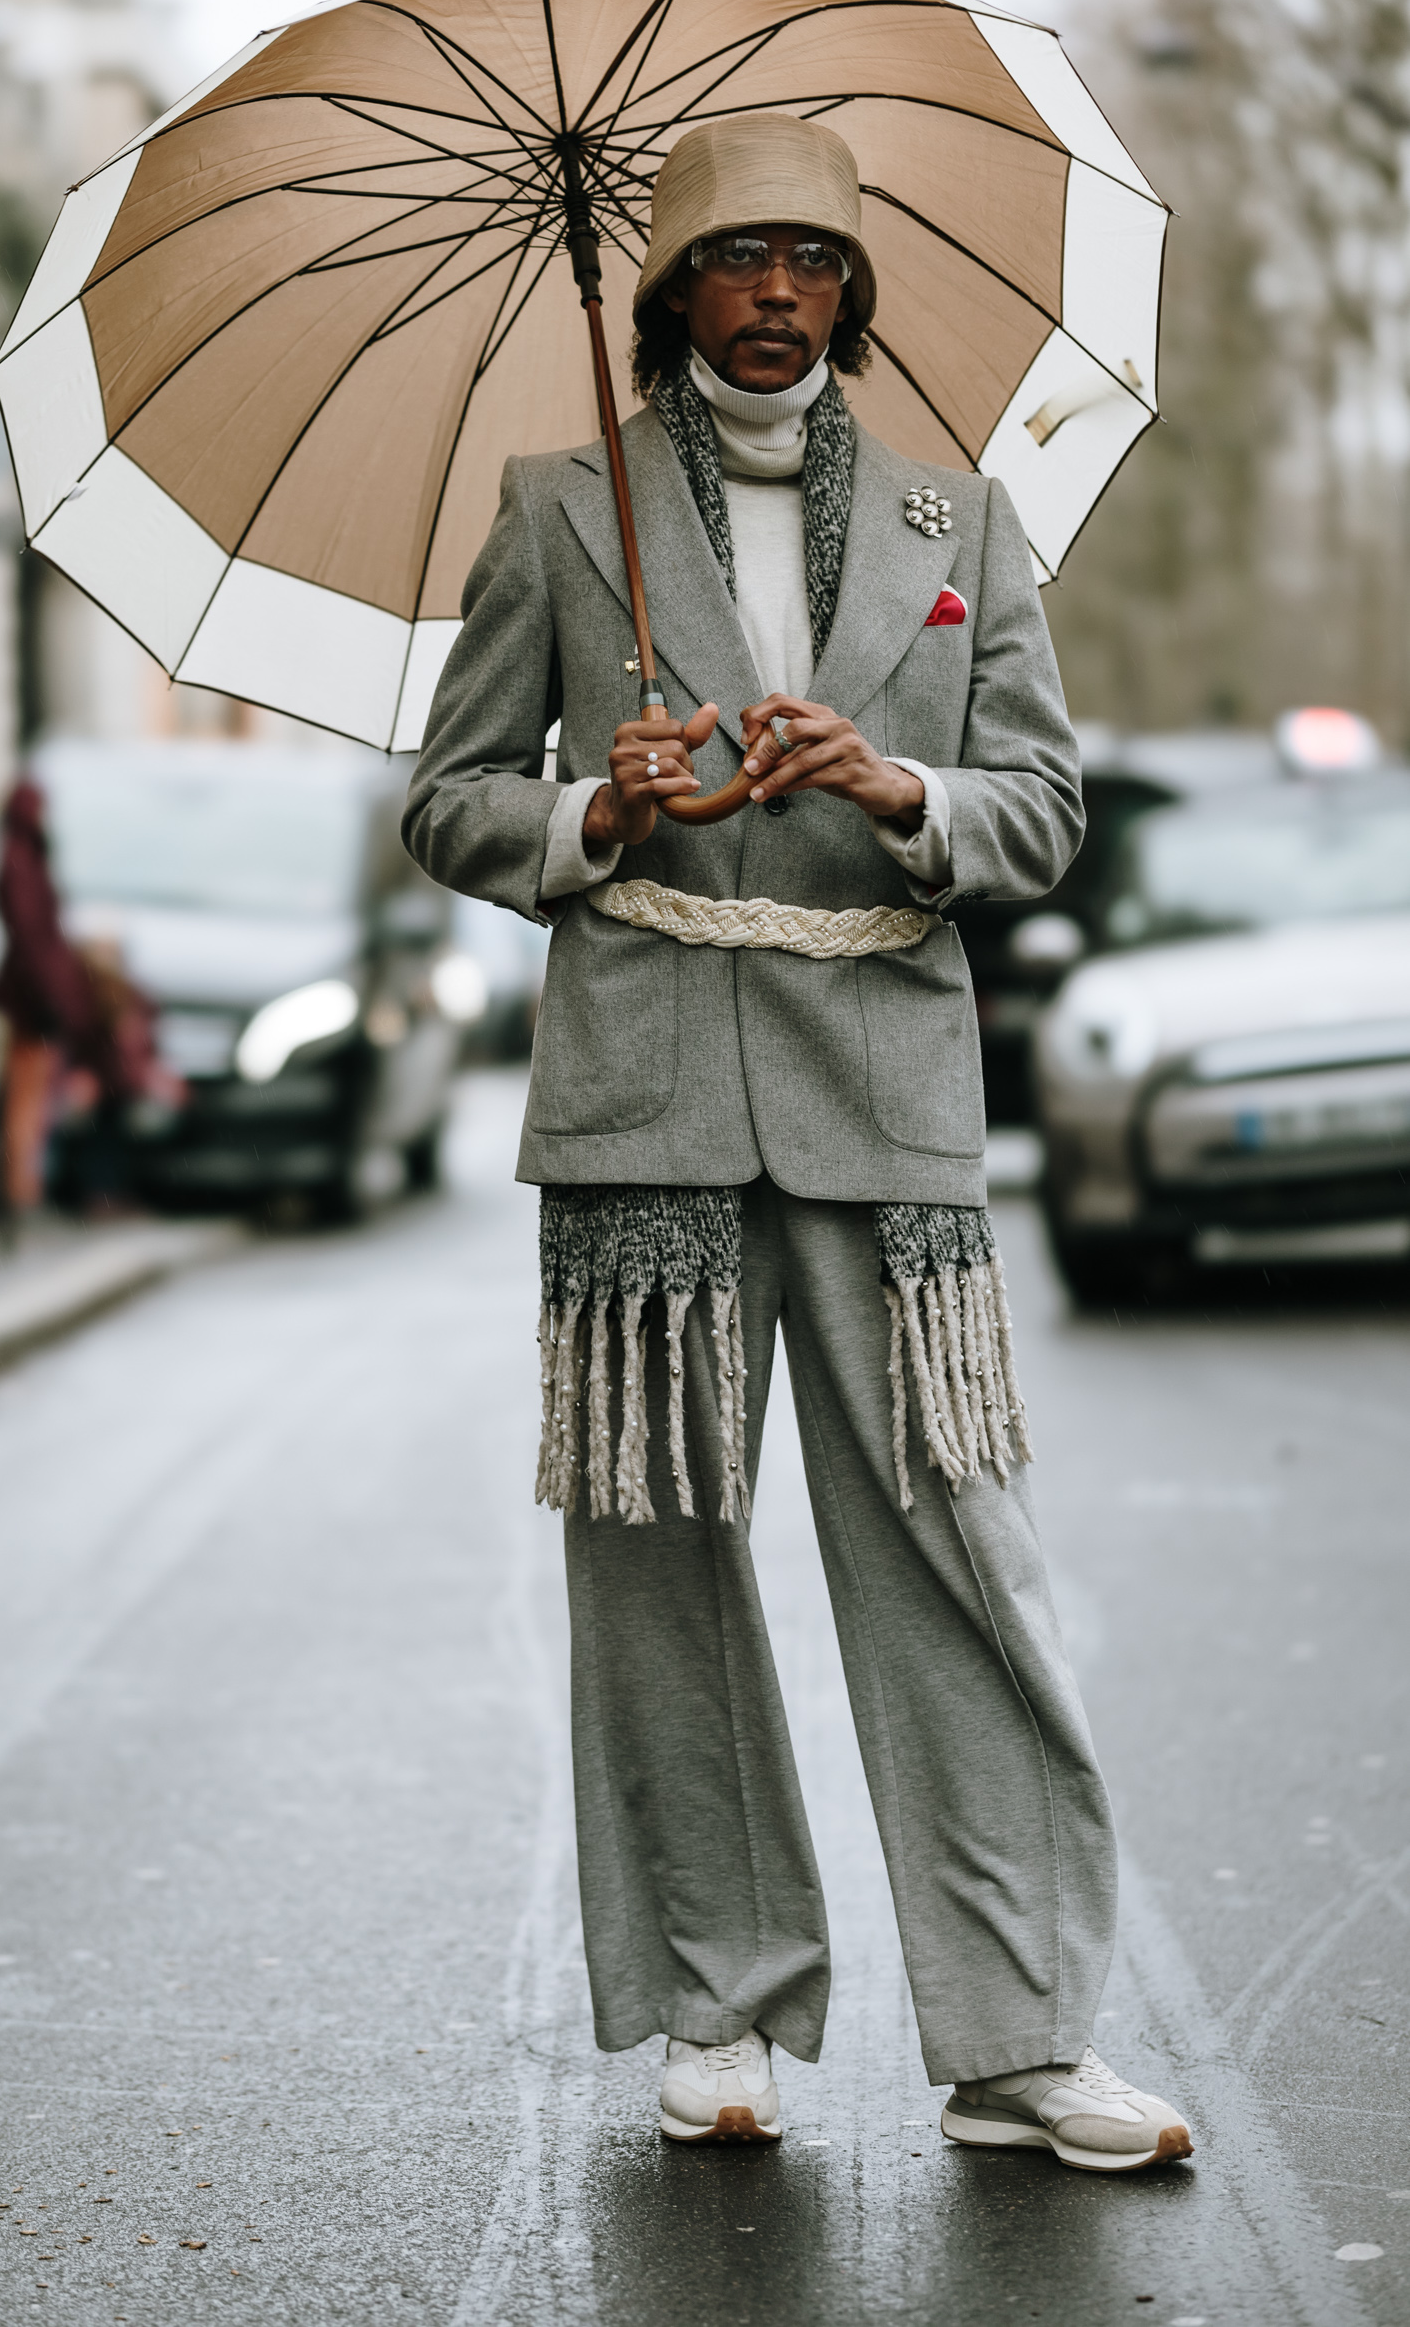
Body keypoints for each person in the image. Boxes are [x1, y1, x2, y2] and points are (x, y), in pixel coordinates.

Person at [405, 114, 1193, 2174]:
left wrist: (906, 784)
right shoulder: (561, 505)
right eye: (735, 259)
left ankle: (1019, 2033)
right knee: (654, 1553)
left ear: (848, 297)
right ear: (670, 292)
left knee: (953, 1549)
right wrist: (598, 808)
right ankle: (717, 2002)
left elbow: (1038, 810)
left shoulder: (962, 518)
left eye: (808, 263)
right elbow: (450, 798)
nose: (772, 292)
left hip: (884, 1088)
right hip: (641, 1084)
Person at [0, 780, 96, 1209]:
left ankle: (21, 1184)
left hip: (28, 993)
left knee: (31, 1094)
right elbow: (32, 938)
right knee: (28, 1096)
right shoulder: (22, 862)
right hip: (30, 998)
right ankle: (19, 1188)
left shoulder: (20, 859)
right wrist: (51, 998)